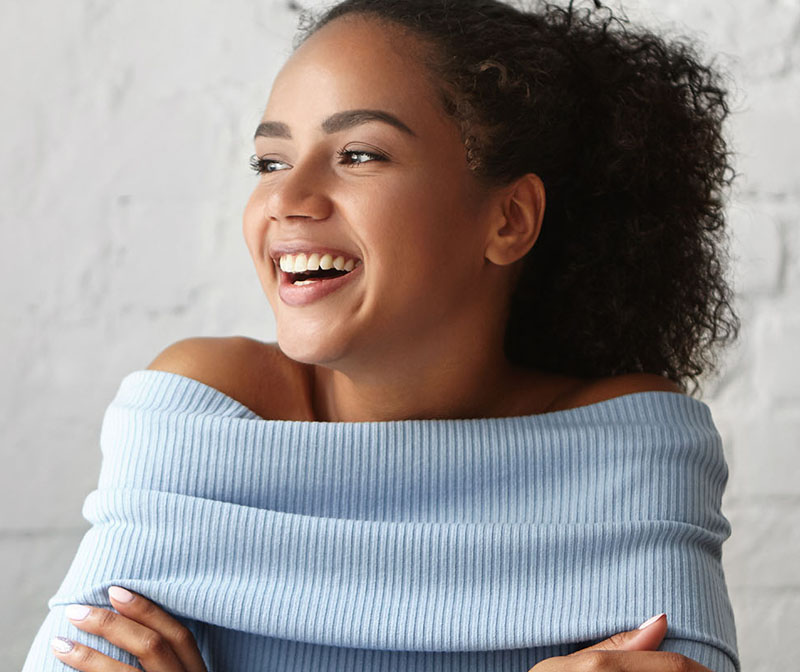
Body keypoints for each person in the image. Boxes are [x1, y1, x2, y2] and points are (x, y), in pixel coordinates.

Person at [22, 1, 741, 671]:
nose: (287, 200)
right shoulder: (203, 411)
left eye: (359, 155)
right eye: (270, 162)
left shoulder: (627, 449)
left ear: (509, 219)